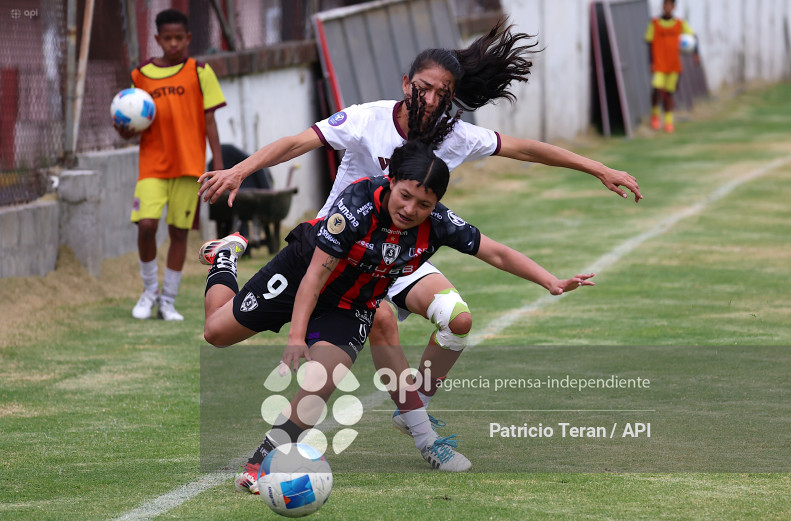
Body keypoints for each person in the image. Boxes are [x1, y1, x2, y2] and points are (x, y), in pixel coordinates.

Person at [197, 17, 640, 464]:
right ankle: (224, 260)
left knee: (456, 319)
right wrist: (240, 170)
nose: (430, 100)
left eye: (442, 94)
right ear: (406, 83)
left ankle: (417, 421)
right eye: (423, 89)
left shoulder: (457, 138)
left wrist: (598, 168)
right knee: (226, 332)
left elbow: (526, 149)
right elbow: (297, 142)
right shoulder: (368, 119)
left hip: (400, 252)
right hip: (338, 247)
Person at [116, 8, 226, 321]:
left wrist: (219, 167)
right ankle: (150, 290)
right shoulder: (141, 75)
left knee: (179, 232)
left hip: (189, 166)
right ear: (157, 39)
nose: (174, 43)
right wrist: (123, 129)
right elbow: (130, 120)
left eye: (179, 37)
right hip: (152, 165)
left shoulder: (200, 71)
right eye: (168, 38)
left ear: (188, 38)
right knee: (146, 226)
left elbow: (210, 121)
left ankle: (168, 301)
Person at [645, 0, 700, 133]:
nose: (668, 7)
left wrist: (695, 54)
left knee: (669, 94)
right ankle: (655, 116)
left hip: (674, 65)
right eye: (666, 4)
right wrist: (651, 62)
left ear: (674, 7)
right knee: (656, 89)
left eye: (670, 5)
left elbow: (693, 37)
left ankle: (668, 122)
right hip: (659, 65)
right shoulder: (654, 23)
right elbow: (649, 43)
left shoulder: (680, 24)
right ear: (663, 6)